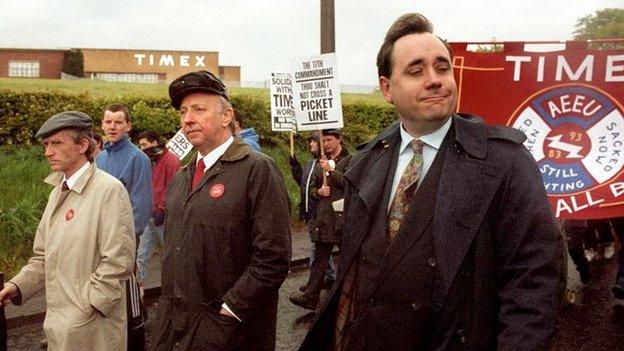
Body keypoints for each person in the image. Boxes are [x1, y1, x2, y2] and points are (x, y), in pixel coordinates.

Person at [298, 13, 562, 351]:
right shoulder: (365, 164)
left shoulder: (505, 162)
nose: (435, 79)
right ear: (386, 88)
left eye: (442, 67)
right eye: (416, 70)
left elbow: (532, 282)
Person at [149, 70, 291, 351]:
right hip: (176, 327)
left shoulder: (257, 169)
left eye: (199, 110)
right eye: (183, 112)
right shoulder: (182, 176)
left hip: (229, 332)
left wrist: (231, 310)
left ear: (227, 116)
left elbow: (273, 257)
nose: (187, 119)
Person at [0, 111, 135, 350]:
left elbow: (118, 262)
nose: (47, 152)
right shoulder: (57, 192)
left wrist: (88, 307)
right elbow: (43, 256)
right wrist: (16, 286)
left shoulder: (108, 190)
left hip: (93, 329)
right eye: (46, 144)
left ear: (83, 144)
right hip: (59, 326)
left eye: (57, 144)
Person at [96, 103, 152, 350]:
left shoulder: (138, 158)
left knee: (126, 295)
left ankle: (133, 337)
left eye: (118, 122)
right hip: (98, 238)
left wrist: (128, 242)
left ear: (128, 126)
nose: (112, 126)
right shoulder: (99, 157)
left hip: (123, 241)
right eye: (108, 121)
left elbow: (140, 206)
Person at [290, 129, 350, 310]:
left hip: (343, 219)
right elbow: (310, 188)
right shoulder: (320, 162)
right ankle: (310, 298)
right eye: (323, 140)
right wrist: (318, 192)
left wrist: (332, 171)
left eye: (329, 139)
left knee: (348, 260)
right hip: (324, 219)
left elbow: (351, 185)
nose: (326, 144)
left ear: (339, 140)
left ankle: (347, 297)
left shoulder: (351, 160)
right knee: (319, 260)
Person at [289, 132, 337, 293]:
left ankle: (315, 284)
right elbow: (303, 183)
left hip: (321, 213)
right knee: (319, 248)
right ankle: (330, 276)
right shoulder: (311, 163)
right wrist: (295, 167)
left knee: (318, 249)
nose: (310, 145)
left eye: (313, 142)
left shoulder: (325, 164)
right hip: (310, 211)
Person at [136, 130, 180, 286]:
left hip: (164, 218)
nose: (141, 149)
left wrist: (162, 208)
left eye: (144, 145)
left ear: (154, 143)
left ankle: (177, 288)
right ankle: (137, 289)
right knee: (141, 254)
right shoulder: (147, 160)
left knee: (172, 255)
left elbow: (173, 188)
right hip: (149, 215)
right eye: (140, 145)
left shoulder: (171, 161)